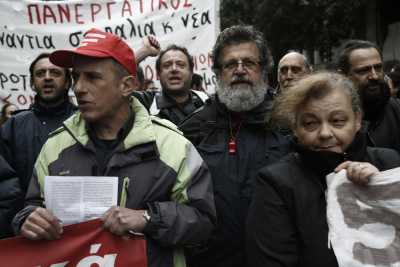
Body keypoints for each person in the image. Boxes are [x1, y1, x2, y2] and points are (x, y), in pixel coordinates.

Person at [12, 28, 216, 267]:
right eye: (76, 77)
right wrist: (28, 219)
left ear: (127, 86)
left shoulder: (172, 146)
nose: (78, 88)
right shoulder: (55, 146)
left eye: (92, 77)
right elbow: (31, 206)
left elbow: (203, 221)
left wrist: (148, 218)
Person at [246, 72, 400, 267]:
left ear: (358, 119)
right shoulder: (276, 183)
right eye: (310, 123)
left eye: (337, 121)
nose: (325, 133)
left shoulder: (388, 162)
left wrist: (383, 189)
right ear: (295, 127)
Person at [179, 25, 290, 267]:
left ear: (263, 71)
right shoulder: (193, 128)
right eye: (230, 64)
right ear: (218, 73)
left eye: (249, 63)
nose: (240, 70)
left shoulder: (291, 123)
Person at [0, 53, 77, 197]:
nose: (47, 77)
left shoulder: (84, 121)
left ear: (68, 82)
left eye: (55, 72)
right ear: (32, 83)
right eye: (40, 73)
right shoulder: (14, 126)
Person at [337, 40, 400, 152]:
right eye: (363, 70)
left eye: (378, 68)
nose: (374, 76)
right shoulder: (333, 119)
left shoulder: (396, 109)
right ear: (343, 76)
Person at [134, 43, 208, 125]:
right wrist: (144, 51)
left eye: (180, 65)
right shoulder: (145, 103)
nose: (174, 69)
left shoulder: (205, 100)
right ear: (159, 74)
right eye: (167, 65)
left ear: (191, 72)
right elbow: (117, 87)